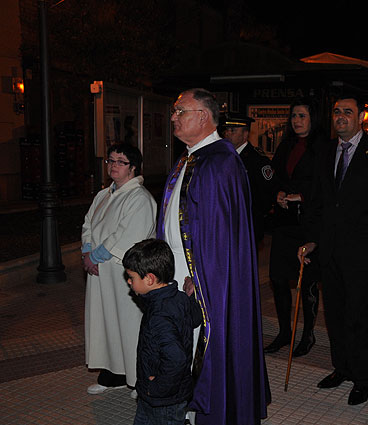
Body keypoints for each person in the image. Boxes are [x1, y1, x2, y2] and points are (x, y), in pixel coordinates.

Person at [157, 88, 269, 424]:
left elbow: (221, 237)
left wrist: (203, 278)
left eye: (181, 111)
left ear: (204, 117)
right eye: (175, 111)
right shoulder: (189, 158)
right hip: (178, 267)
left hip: (202, 274)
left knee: (201, 338)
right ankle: (183, 403)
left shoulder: (220, 163)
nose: (174, 117)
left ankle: (203, 409)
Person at [298, 95, 368, 405]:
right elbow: (318, 202)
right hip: (329, 251)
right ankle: (341, 368)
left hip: (364, 254)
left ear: (360, 118)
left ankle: (362, 376)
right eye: (336, 112)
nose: (341, 116)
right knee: (335, 315)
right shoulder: (325, 151)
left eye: (348, 112)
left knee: (360, 317)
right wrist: (312, 239)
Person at [82, 143, 157, 396]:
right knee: (105, 323)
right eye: (111, 160)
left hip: (123, 273)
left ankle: (139, 379)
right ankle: (112, 374)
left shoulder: (140, 197)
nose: (113, 165)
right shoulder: (104, 194)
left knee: (129, 325)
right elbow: (88, 223)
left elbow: (129, 236)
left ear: (133, 167)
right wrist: (87, 250)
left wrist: (98, 255)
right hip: (99, 273)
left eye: (120, 161)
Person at [264, 97, 324, 357]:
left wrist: (301, 196)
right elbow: (275, 176)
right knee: (278, 278)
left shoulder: (323, 146)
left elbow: (326, 184)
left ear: (312, 118)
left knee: (307, 282)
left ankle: (307, 334)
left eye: (302, 116)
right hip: (284, 221)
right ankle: (284, 332)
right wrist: (277, 193)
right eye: (294, 116)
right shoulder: (286, 144)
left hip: (307, 222)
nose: (297, 121)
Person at [123, 239, 202, 425]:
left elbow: (177, 358)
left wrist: (156, 388)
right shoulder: (179, 298)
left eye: (131, 277)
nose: (128, 281)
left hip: (162, 398)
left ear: (149, 279)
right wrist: (191, 299)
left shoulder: (159, 316)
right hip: (164, 393)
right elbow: (196, 319)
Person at [219, 113, 275, 244]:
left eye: (233, 130)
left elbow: (266, 194)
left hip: (248, 225)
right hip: (225, 224)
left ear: (245, 134)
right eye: (227, 130)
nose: (228, 134)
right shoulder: (223, 157)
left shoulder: (257, 160)